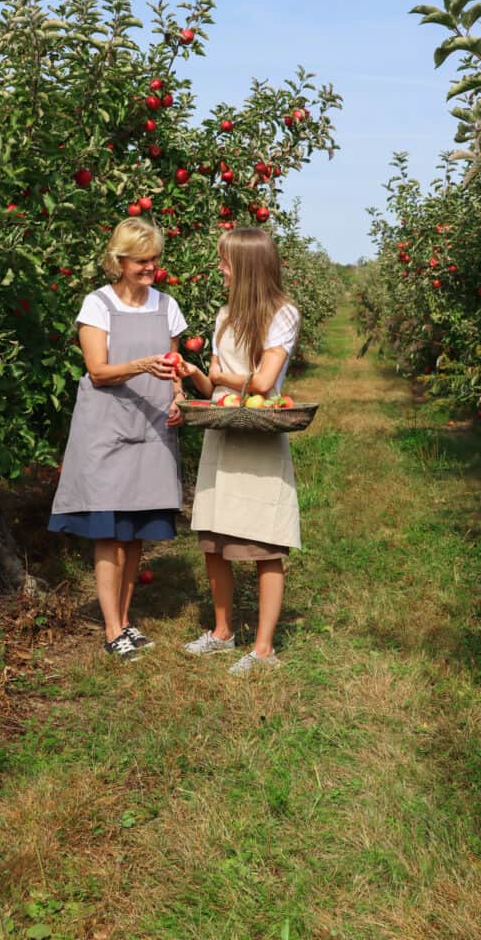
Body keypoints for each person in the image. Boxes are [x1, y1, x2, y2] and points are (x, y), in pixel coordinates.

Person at [49, 218, 188, 661]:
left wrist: (179, 395)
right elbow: (98, 370)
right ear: (120, 261)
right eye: (141, 261)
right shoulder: (98, 305)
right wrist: (142, 365)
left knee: (135, 534)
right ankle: (112, 630)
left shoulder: (168, 306)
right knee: (108, 534)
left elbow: (175, 365)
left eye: (154, 260)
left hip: (151, 430)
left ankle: (125, 620)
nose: (150, 268)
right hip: (107, 431)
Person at [179, 227, 301, 676]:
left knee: (265, 543)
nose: (220, 269)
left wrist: (228, 377)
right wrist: (197, 372)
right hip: (222, 430)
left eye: (226, 262)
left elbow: (265, 382)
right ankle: (223, 632)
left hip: (260, 436)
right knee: (215, 540)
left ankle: (264, 649)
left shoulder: (282, 314)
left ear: (246, 265)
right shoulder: (223, 315)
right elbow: (213, 382)